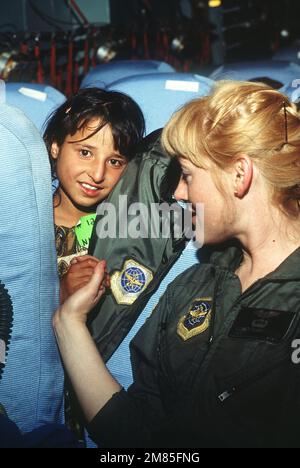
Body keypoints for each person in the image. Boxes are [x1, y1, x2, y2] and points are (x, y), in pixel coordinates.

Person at [52, 80, 300, 448]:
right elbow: (136, 434)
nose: (177, 195)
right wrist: (67, 321)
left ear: (240, 175)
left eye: (186, 175)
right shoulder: (192, 285)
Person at [43, 87, 145, 300]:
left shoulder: (131, 231)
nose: (98, 174)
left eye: (114, 162)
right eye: (85, 153)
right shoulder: (23, 227)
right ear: (56, 146)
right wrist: (60, 294)